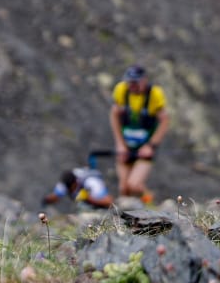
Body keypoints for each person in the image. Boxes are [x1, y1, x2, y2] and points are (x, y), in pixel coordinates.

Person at [109, 64, 168, 202]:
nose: (132, 86)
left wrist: (151, 146)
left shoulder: (154, 94)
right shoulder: (121, 91)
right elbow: (114, 113)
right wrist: (119, 144)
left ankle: (151, 203)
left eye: (135, 82)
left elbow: (165, 120)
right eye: (130, 82)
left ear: (144, 80)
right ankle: (127, 220)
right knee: (124, 188)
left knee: (134, 185)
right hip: (126, 146)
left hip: (144, 147)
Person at [42, 166, 113, 209]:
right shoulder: (66, 182)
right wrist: (46, 201)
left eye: (73, 188)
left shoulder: (91, 182)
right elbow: (55, 196)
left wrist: (89, 199)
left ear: (76, 182)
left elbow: (109, 202)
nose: (72, 191)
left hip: (93, 196)